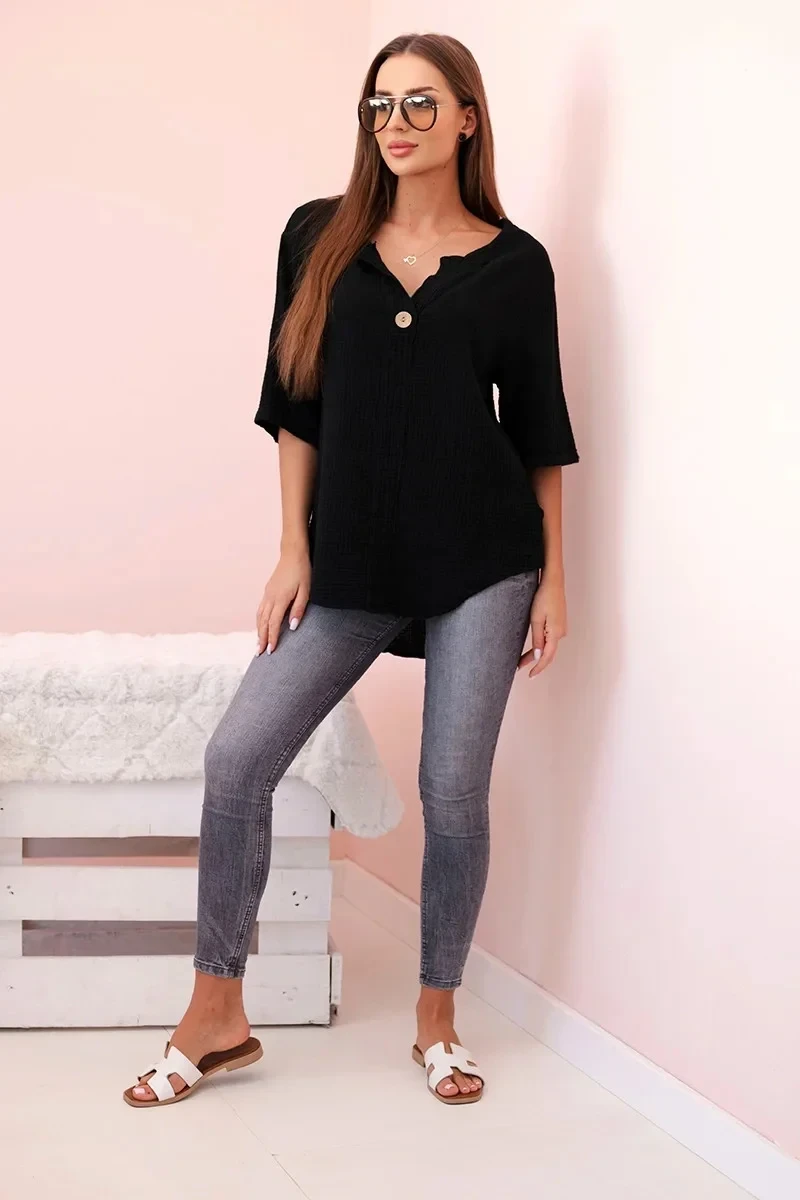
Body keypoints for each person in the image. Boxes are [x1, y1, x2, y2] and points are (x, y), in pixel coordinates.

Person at [123, 30, 579, 1110]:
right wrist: (293, 546)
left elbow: (538, 434)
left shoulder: (516, 264)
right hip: (352, 555)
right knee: (239, 758)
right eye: (380, 105)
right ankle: (217, 1013)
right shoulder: (318, 236)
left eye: (420, 103)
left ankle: (437, 1021)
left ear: (467, 117)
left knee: (451, 789)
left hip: (483, 557)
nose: (396, 124)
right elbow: (296, 402)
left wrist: (554, 579)